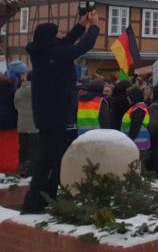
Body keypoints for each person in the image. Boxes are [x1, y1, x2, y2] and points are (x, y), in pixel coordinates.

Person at [21, 12, 100, 214]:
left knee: (45, 160)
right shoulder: (54, 54)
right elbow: (80, 47)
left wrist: (81, 26)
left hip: (46, 117)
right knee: (58, 161)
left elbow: (64, 43)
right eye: (59, 32)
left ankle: (37, 201)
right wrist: (94, 28)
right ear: (51, 37)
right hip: (61, 115)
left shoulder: (43, 52)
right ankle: (44, 200)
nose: (62, 34)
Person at [122, 87, 151, 163]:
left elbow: (135, 126)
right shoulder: (137, 107)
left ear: (133, 96)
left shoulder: (138, 108)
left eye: (128, 96)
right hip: (138, 140)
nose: (127, 98)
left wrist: (129, 140)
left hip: (137, 141)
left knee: (136, 166)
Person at [15, 71, 36, 171]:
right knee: (34, 147)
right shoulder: (39, 91)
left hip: (22, 124)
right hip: (34, 125)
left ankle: (22, 165)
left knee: (23, 146)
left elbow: (16, 106)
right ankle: (32, 167)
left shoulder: (18, 92)